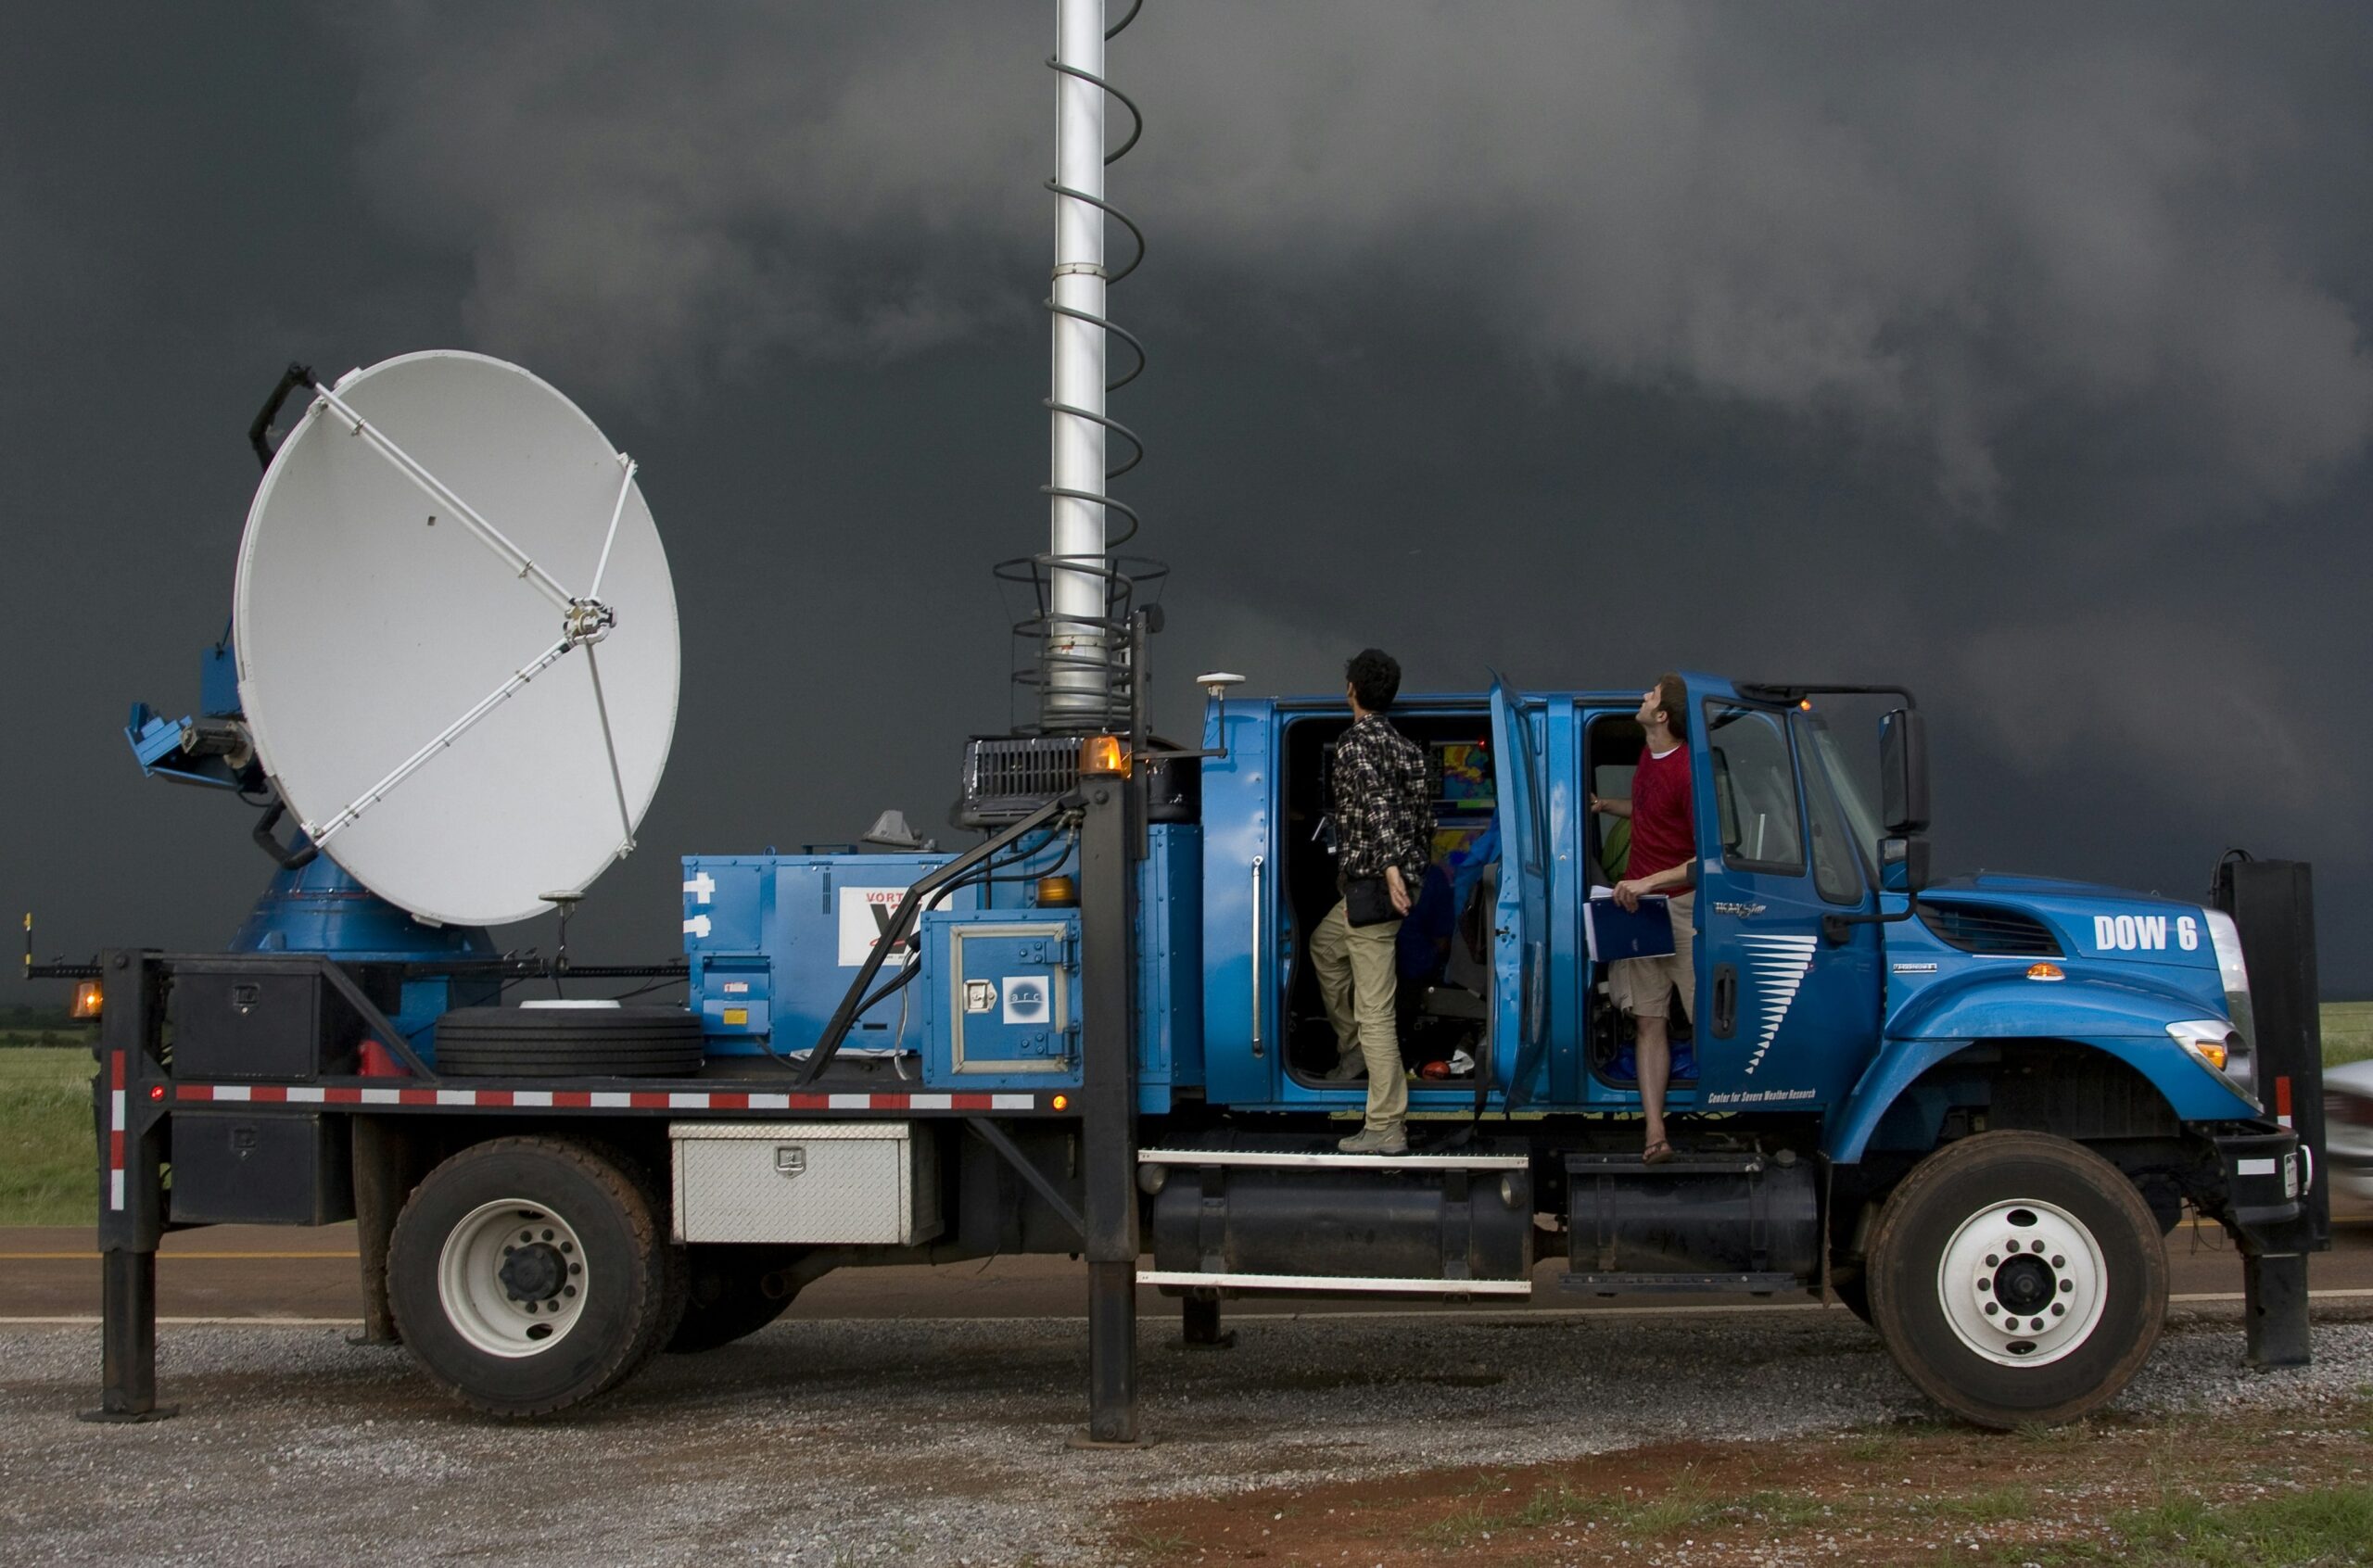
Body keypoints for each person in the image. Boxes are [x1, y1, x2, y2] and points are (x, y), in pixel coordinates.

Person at [1312, 648, 1434, 1154]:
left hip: (1374, 889)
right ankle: (1355, 1050)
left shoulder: (1354, 744)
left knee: (1375, 1009)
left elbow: (1377, 807)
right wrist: (1414, 873)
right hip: (1378, 892)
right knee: (1323, 948)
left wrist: (1390, 870)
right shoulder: (1408, 749)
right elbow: (1425, 821)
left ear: (1351, 691)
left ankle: (1385, 1125)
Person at [1587, 674, 1696, 1165]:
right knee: (1648, 1023)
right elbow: (1652, 813)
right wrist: (1608, 806)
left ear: (1662, 716)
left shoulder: (1690, 770)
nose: (1643, 697)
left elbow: (1705, 860)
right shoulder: (1647, 759)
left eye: (1651, 695)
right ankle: (1656, 1135)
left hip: (1683, 910)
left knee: (1708, 1025)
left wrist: (1649, 882)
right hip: (1640, 911)